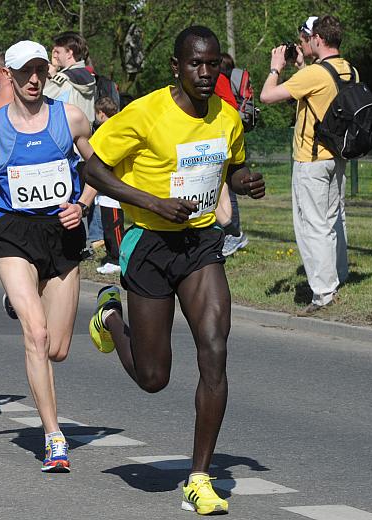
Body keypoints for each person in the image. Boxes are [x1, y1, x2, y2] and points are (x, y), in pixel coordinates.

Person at [84, 26, 265, 514]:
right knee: (153, 377)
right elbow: (93, 168)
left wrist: (244, 179)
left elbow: (230, 166)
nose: (206, 74)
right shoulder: (144, 112)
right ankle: (109, 319)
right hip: (150, 245)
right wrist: (151, 202)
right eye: (195, 65)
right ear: (176, 67)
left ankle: (199, 477)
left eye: (212, 65)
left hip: (201, 244)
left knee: (215, 349)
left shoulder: (227, 117)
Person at [0, 40, 96, 473]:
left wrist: (83, 203)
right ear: (8, 77)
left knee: (59, 349)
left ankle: (25, 298)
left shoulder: (69, 118)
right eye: (24, 72)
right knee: (36, 335)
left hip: (62, 233)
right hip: (13, 234)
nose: (33, 79)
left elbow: (99, 167)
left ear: (46, 72)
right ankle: (54, 437)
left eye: (39, 70)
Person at [259, 15, 349, 315]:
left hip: (311, 161)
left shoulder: (314, 75)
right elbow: (319, 94)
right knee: (333, 221)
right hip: (336, 157)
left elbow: (267, 95)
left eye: (307, 38)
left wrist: (275, 68)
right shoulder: (348, 69)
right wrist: (301, 66)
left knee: (312, 226)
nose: (303, 42)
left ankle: (323, 293)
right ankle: (338, 276)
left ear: (318, 40)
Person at [216, 52, 249, 256]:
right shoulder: (222, 79)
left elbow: (229, 106)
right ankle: (230, 233)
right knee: (224, 186)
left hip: (222, 135)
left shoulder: (217, 80)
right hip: (224, 134)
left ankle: (232, 234)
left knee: (223, 185)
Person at [92, 97, 124, 275]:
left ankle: (117, 258)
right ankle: (112, 255)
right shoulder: (112, 128)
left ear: (101, 114)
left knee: (114, 225)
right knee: (108, 225)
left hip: (112, 186)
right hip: (106, 188)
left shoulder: (112, 130)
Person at [44, 32, 97, 123]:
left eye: (57, 52)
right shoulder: (89, 76)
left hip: (69, 132)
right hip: (87, 132)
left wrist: (47, 75)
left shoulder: (63, 79)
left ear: (69, 53)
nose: (54, 56)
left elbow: (42, 101)